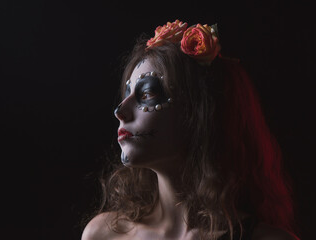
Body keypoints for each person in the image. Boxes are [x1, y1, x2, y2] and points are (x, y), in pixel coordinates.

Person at [82, 20, 300, 240]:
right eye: (126, 93)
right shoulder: (103, 235)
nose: (120, 111)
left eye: (146, 94)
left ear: (199, 112)